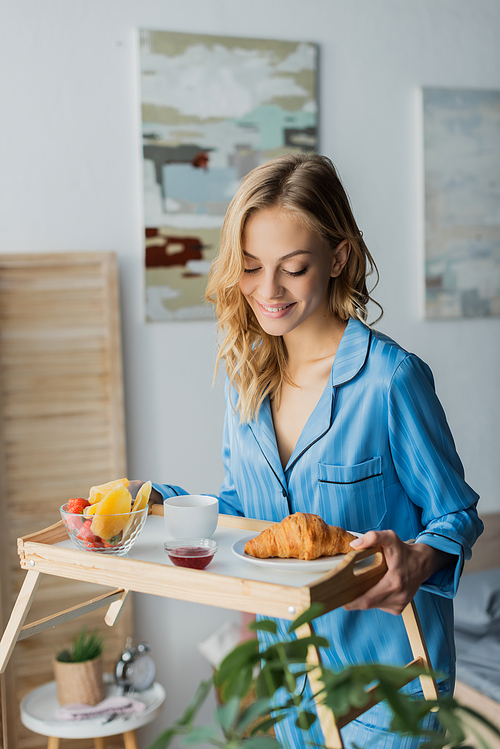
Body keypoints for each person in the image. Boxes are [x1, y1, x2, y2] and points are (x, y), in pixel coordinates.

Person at [140, 154, 483, 748]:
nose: (267, 292)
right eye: (249, 267)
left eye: (292, 268)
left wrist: (417, 561)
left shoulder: (390, 380)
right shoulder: (244, 382)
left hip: (390, 695)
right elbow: (244, 508)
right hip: (293, 687)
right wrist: (151, 501)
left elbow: (456, 516)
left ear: (338, 258)